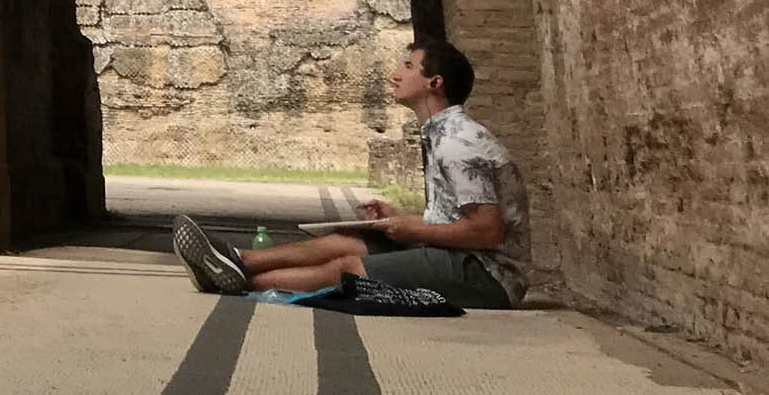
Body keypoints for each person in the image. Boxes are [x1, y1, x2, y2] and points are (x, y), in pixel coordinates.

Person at [170, 39, 530, 309]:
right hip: (460, 255)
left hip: (490, 277)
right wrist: (400, 220)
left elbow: (488, 230)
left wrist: (413, 229)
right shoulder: (443, 136)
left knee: (349, 266)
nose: (395, 74)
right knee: (346, 240)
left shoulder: (457, 143)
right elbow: (458, 217)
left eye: (407, 66)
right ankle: (239, 259)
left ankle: (239, 282)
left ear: (434, 83)